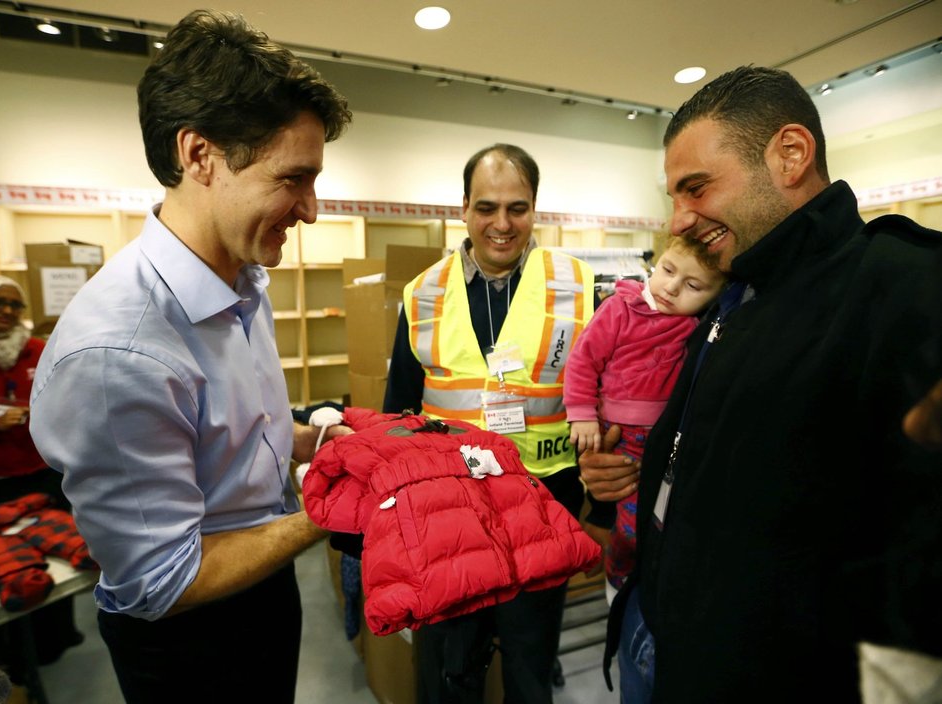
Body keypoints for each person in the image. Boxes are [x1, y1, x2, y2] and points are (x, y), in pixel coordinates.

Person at [579, 65, 942, 703]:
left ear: (791, 155)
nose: (679, 221)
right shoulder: (735, 292)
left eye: (696, 188)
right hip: (663, 630)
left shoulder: (906, 291)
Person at [29, 10, 352, 703]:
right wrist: (329, 511)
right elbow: (162, 578)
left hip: (261, 585)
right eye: (293, 179)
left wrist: (306, 440)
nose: (312, 210)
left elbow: (218, 436)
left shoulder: (243, 283)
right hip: (191, 638)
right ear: (200, 155)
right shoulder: (119, 353)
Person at [383, 143, 597, 703]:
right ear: (463, 208)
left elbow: (602, 399)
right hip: (447, 522)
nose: (502, 224)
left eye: (517, 208)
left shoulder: (578, 288)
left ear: (535, 208)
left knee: (530, 670)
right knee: (448, 674)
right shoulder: (423, 294)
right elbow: (397, 414)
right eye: (486, 208)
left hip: (542, 512)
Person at [563, 237, 725, 603]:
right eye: (667, 270)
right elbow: (583, 361)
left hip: (665, 438)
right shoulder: (620, 308)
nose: (671, 287)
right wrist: (582, 414)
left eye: (693, 285)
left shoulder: (695, 325)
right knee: (628, 522)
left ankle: (635, 578)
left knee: (653, 521)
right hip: (617, 435)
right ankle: (619, 577)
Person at [0, 275, 83, 674]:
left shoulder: (36, 350)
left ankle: (52, 645)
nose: (6, 312)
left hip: (39, 476)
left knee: (57, 564)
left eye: (16, 305)